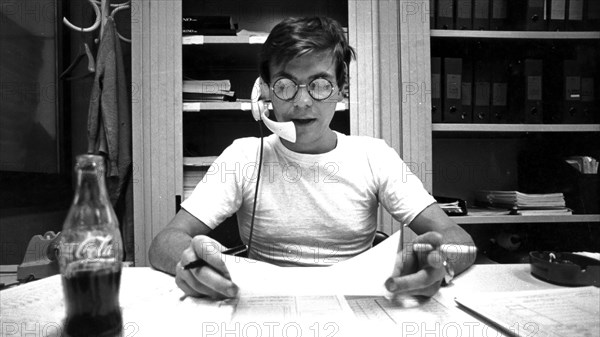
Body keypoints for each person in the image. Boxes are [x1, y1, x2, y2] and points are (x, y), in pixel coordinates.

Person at [149, 16, 476, 299]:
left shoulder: (374, 156)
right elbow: (165, 241)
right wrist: (190, 260)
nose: (303, 102)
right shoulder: (244, 157)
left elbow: (458, 239)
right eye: (286, 85)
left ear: (341, 88)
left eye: (319, 85)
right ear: (264, 91)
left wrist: (439, 263)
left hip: (357, 303)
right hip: (264, 306)